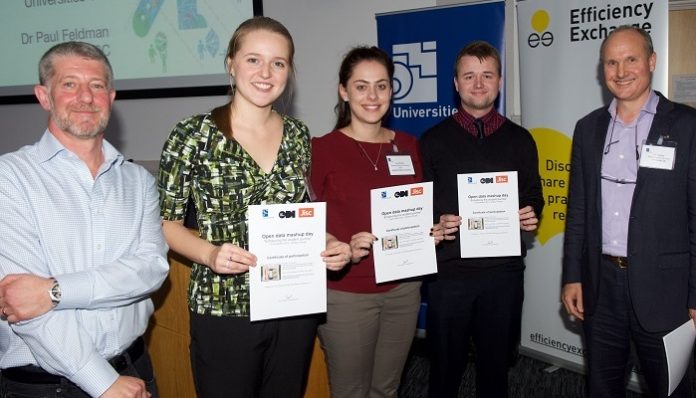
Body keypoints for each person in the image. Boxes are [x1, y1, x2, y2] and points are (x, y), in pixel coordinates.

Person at [157, 16, 351, 398]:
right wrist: (211, 254)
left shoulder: (297, 135)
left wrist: (329, 244)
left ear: (289, 71)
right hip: (223, 305)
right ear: (231, 63)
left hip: (292, 302)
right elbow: (165, 225)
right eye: (253, 60)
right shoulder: (192, 135)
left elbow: (297, 213)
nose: (266, 73)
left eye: (278, 63)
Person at [0, 41, 169, 398]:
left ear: (111, 96)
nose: (85, 97)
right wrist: (102, 381)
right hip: (48, 387)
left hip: (136, 368)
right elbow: (24, 306)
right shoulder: (9, 178)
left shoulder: (138, 182)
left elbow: (151, 269)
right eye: (69, 84)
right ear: (44, 96)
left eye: (96, 86)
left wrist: (54, 290)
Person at [561, 25, 696, 398]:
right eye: (611, 62)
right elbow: (578, 211)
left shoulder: (686, 126)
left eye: (631, 59)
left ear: (651, 62)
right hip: (601, 286)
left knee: (671, 390)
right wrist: (573, 275)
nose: (621, 71)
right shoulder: (588, 129)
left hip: (665, 291)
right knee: (602, 389)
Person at [310, 46, 445, 398]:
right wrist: (337, 243)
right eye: (361, 86)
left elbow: (420, 207)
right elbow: (304, 220)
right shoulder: (321, 149)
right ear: (344, 91)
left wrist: (433, 229)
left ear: (392, 90)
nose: (373, 96)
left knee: (386, 388)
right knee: (350, 391)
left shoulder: (411, 146)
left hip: (404, 289)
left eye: (382, 86)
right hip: (346, 294)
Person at [419, 41, 544, 398]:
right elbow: (421, 202)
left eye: (487, 75)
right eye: (469, 76)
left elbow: (534, 193)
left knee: (496, 368)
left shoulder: (521, 140)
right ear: (456, 83)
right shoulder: (431, 140)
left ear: (499, 81)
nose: (478, 84)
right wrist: (435, 221)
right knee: (444, 369)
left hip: (502, 274)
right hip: (449, 275)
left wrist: (531, 212)